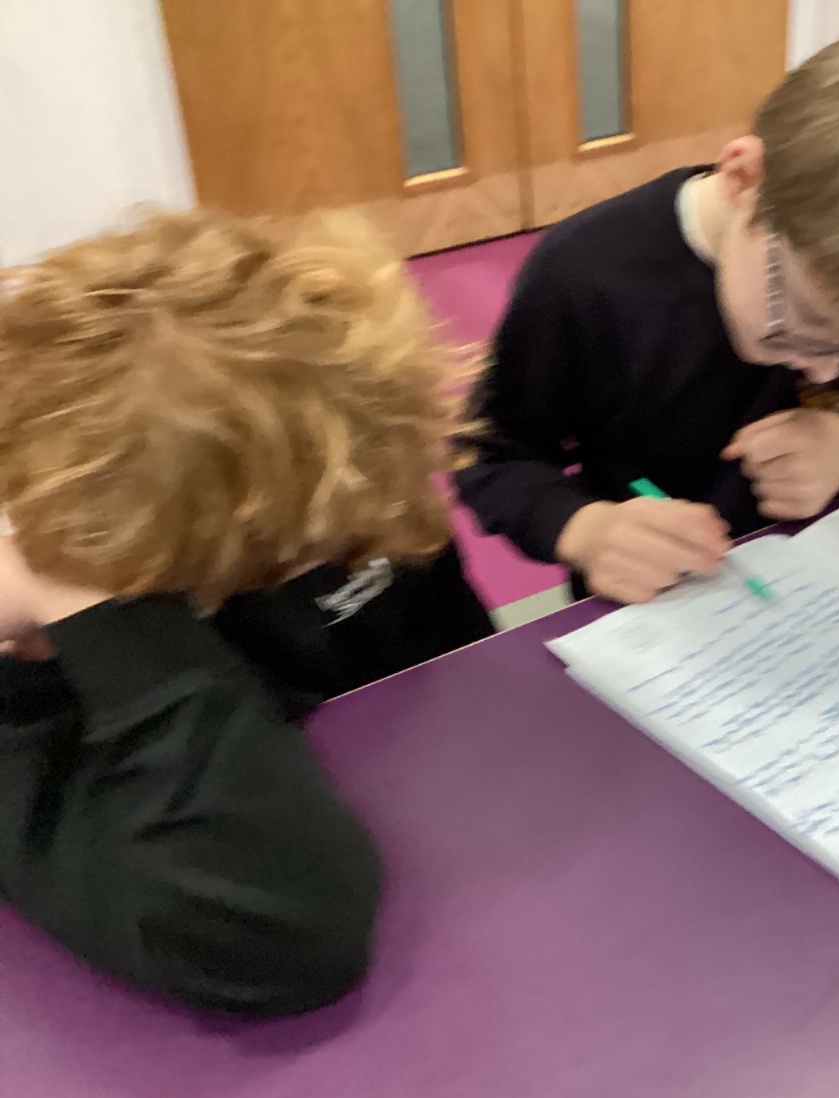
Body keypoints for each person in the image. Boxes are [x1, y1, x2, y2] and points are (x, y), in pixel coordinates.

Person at [0, 210, 494, 1017]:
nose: (358, 537)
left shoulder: (335, 483)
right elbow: (283, 933)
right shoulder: (36, 672)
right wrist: (76, 600)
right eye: (300, 545)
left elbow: (468, 676)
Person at [457, 16, 839, 604]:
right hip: (659, 613)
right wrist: (585, 529)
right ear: (744, 179)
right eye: (810, 322)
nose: (827, 370)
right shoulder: (585, 275)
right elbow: (491, 454)